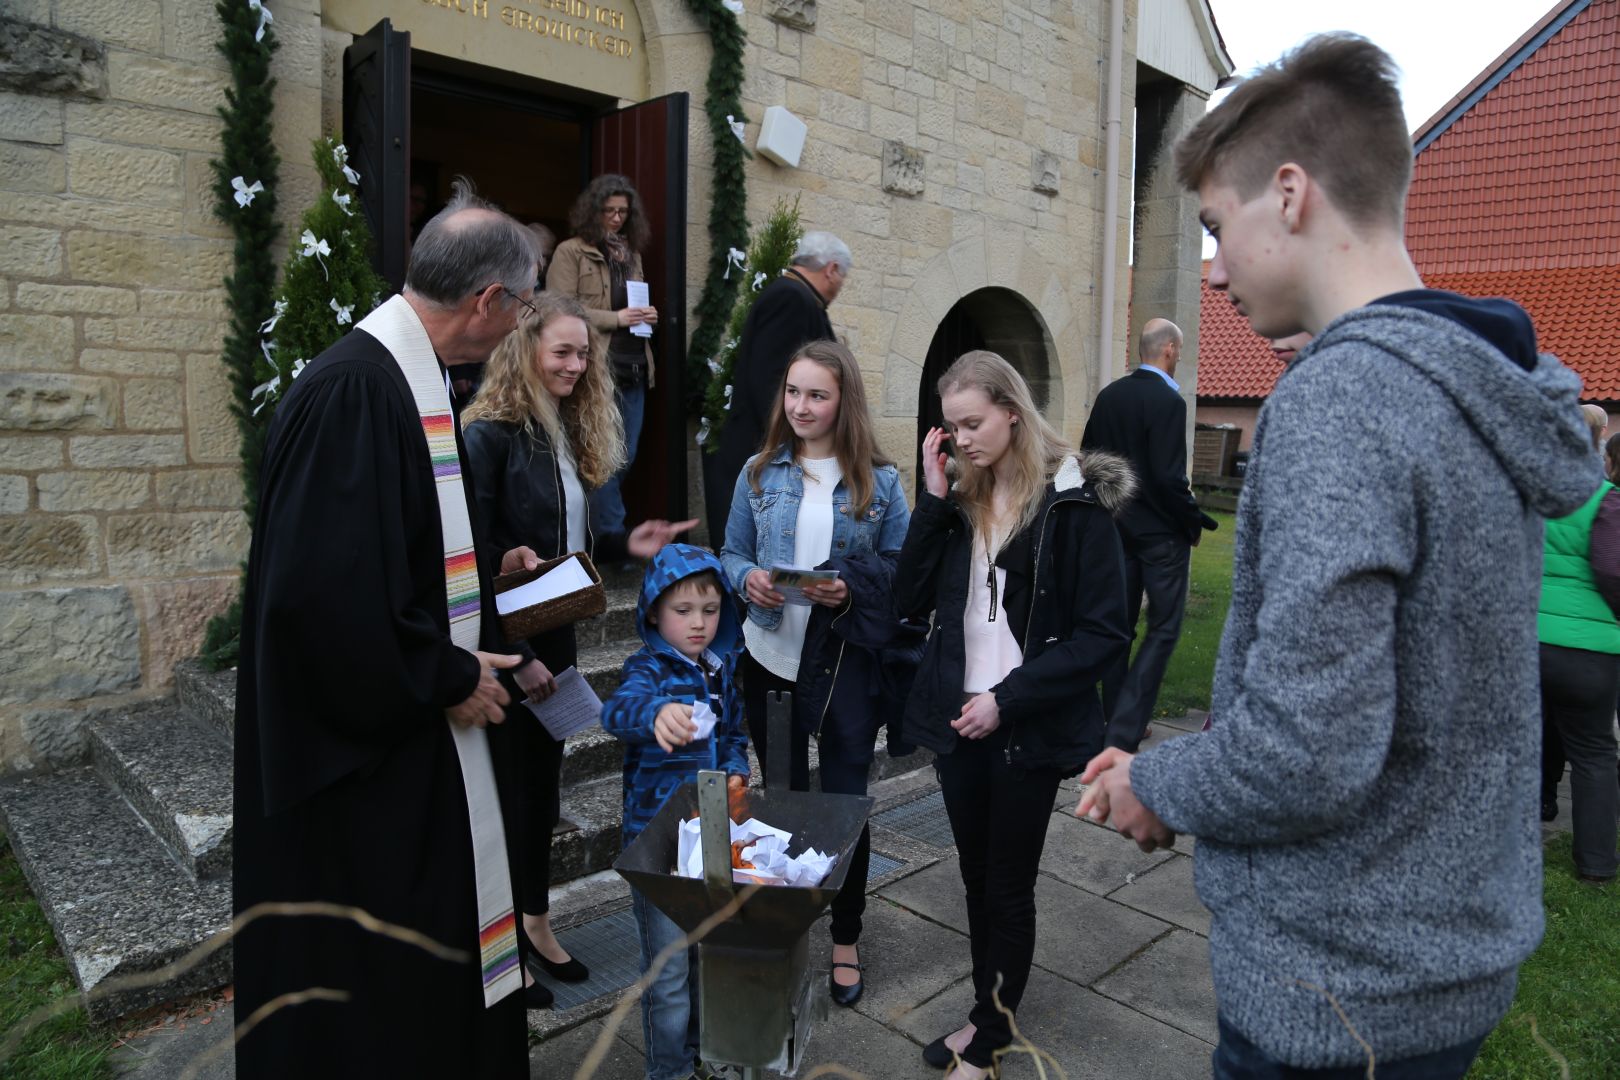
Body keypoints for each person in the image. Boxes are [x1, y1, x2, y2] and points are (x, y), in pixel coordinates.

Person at [1077, 35, 1602, 1079]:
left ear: (1291, 192)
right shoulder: (1479, 386)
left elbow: (1306, 753)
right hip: (1440, 969)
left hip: (1334, 990)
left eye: (1219, 227)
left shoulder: (1344, 398)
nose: (1214, 269)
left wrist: (1159, 781)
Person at [233, 178, 541, 1076]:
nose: (519, 323)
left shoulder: (409, 382)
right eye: (521, 307)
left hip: (402, 720)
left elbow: (393, 568)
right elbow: (321, 606)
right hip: (367, 767)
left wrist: (456, 640)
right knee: (383, 993)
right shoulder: (359, 394)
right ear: (488, 301)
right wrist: (446, 676)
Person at [895, 350, 1134, 1080]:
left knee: (1006, 883)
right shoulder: (960, 500)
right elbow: (906, 602)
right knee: (974, 877)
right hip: (959, 718)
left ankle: (992, 1040)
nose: (962, 438)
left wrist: (1008, 699)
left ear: (1010, 411)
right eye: (951, 428)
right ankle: (984, 1014)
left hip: (1023, 725)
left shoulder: (1072, 505)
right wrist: (933, 498)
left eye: (973, 423)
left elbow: (1104, 633)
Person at [462, 292, 696, 1008]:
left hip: (551, 637)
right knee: (501, 802)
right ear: (523, 348)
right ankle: (496, 950)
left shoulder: (560, 426)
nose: (576, 364)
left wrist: (628, 544)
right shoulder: (489, 434)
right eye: (562, 350)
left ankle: (534, 920)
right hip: (503, 647)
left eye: (583, 353)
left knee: (539, 795)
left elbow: (564, 548)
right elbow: (469, 559)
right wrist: (516, 653)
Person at [718, 339, 921, 1009]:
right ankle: (783, 926)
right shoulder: (757, 472)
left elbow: (906, 572)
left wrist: (853, 590)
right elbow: (730, 552)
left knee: (841, 807)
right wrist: (746, 577)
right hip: (769, 658)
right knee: (779, 800)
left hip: (845, 667)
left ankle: (845, 937)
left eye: (818, 395)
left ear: (843, 402)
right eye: (794, 392)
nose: (802, 406)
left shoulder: (880, 482)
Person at [600, 544, 748, 1080]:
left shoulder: (720, 670)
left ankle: (703, 1052)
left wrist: (737, 770)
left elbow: (732, 733)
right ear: (653, 613)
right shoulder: (646, 669)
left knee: (705, 960)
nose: (698, 624)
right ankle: (669, 1070)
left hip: (709, 841)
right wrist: (657, 711)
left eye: (710, 611)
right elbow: (617, 712)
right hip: (656, 848)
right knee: (667, 977)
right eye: (682, 611)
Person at [1082, 318, 1214, 751]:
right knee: (1163, 626)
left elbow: (1088, 460)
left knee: (1117, 628)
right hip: (1160, 537)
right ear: (1170, 350)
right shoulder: (1169, 403)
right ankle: (1129, 726)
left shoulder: (1109, 396)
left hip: (1115, 529)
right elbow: (1168, 478)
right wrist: (1193, 523)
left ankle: (1113, 719)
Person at [704, 231, 850, 543]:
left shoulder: (791, 295)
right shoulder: (791, 299)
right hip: (765, 457)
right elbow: (771, 384)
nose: (839, 287)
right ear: (831, 269)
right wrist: (796, 448)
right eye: (842, 278)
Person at [1536, 402, 1620, 882]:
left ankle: (1522, 833)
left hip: (1529, 641)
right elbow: (1612, 569)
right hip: (1589, 649)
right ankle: (1596, 865)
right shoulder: (1604, 498)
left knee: (1533, 738)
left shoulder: (1530, 494)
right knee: (1593, 753)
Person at [549, 175, 658, 542]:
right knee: (602, 455)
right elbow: (558, 309)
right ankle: (610, 538)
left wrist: (644, 315)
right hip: (596, 368)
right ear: (592, 211)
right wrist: (617, 318)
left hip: (635, 365)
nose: (615, 219)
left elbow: (632, 305)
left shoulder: (632, 255)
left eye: (622, 213)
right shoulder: (570, 252)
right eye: (609, 211)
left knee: (624, 457)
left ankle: (598, 531)